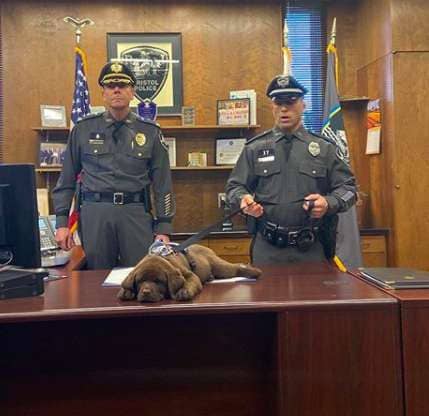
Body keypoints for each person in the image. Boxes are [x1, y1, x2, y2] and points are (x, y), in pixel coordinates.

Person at [53, 61, 175, 269]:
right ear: (103, 93)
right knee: (96, 278)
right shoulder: (83, 129)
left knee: (140, 275)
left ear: (132, 91)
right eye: (110, 86)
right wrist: (62, 223)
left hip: (135, 213)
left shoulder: (150, 132)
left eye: (123, 85)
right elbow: (66, 180)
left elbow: (163, 185)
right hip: (95, 213)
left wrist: (164, 227)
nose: (117, 89)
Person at [225, 75, 357, 265]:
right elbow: (234, 188)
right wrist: (242, 200)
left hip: (311, 248)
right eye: (278, 103)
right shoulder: (254, 148)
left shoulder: (324, 148)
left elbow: (349, 190)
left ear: (303, 105)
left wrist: (328, 203)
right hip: (267, 249)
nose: (284, 109)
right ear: (272, 106)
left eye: (291, 102)